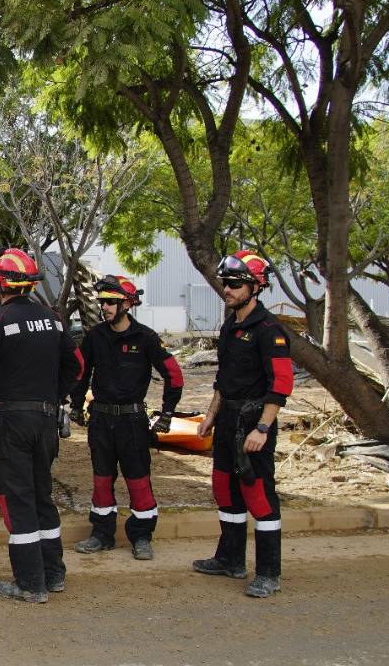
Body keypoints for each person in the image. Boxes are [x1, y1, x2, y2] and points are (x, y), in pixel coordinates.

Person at [0, 248, 83, 604]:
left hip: (9, 420)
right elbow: (77, 365)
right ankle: (54, 575)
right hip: (45, 420)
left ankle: (30, 583)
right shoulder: (54, 320)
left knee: (18, 499)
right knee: (43, 495)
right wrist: (53, 397)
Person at [193, 250, 293, 598]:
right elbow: (224, 377)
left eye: (235, 284)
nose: (228, 290)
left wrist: (262, 429)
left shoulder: (270, 331)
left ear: (255, 285)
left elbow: (281, 386)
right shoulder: (231, 326)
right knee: (225, 489)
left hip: (254, 424)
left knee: (260, 497)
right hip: (228, 422)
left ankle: (268, 573)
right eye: (225, 283)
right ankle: (230, 560)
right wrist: (210, 415)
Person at [70, 275, 184, 560]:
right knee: (101, 479)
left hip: (132, 423)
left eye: (111, 302)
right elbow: (80, 373)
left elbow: (174, 376)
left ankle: (142, 536)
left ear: (128, 304)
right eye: (103, 302)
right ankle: (101, 534)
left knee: (138, 480)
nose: (105, 307)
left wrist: (167, 413)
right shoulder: (95, 336)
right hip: (100, 420)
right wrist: (74, 405)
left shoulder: (145, 338)